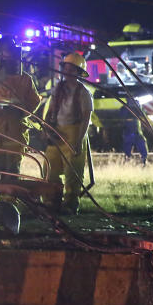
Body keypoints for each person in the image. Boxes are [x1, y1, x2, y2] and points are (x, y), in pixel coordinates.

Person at [0, 38, 41, 183]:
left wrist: (21, 112)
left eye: (12, 56)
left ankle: (8, 202)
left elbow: (34, 101)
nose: (10, 60)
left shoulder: (25, 79)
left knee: (11, 174)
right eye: (6, 56)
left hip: (15, 133)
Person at [44, 52, 93, 213]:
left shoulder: (84, 92)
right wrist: (48, 130)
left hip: (74, 132)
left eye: (71, 69)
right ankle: (52, 201)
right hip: (57, 131)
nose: (67, 72)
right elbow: (51, 111)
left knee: (72, 171)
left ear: (78, 72)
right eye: (65, 68)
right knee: (50, 168)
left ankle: (71, 204)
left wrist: (79, 140)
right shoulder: (58, 89)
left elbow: (86, 118)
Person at [121, 98, 148, 165]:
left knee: (131, 147)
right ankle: (142, 161)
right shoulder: (125, 108)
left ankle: (142, 161)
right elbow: (143, 115)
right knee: (139, 147)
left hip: (133, 133)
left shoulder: (124, 108)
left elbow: (143, 115)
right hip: (132, 132)